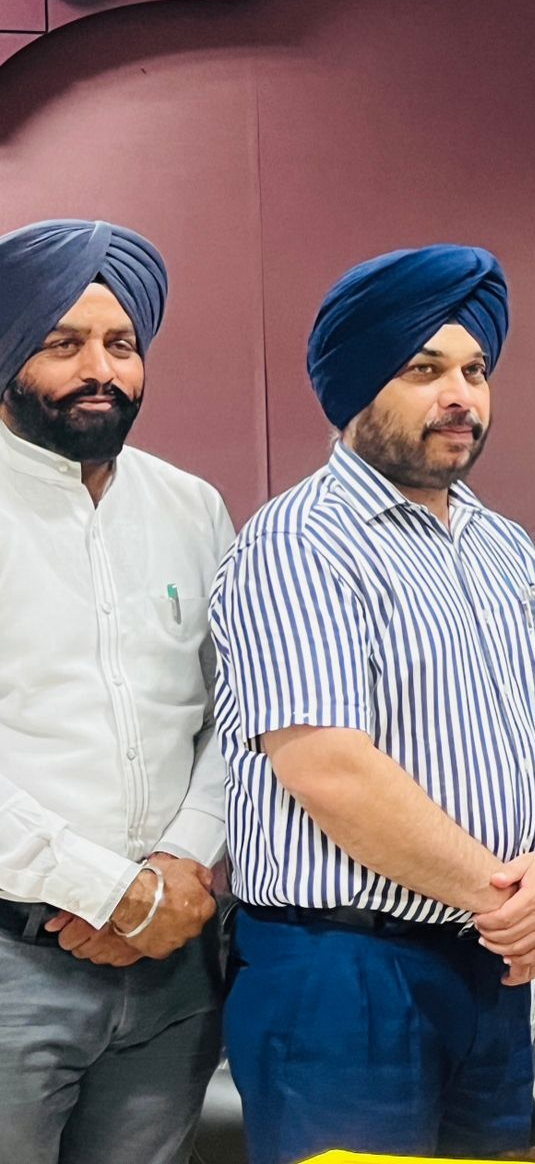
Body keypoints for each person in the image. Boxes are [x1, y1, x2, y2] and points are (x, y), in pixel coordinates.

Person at [209, 244, 535, 1164]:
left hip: (491, 965)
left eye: (474, 371)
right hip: (342, 974)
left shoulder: (503, 545)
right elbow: (331, 770)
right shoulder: (297, 543)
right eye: (425, 370)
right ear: (357, 387)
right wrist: (508, 900)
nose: (460, 395)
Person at [0, 218, 232, 1164]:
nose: (101, 369)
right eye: (63, 344)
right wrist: (110, 892)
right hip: (14, 963)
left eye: (121, 344)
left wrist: (180, 866)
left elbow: (233, 715)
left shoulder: (191, 507)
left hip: (174, 972)